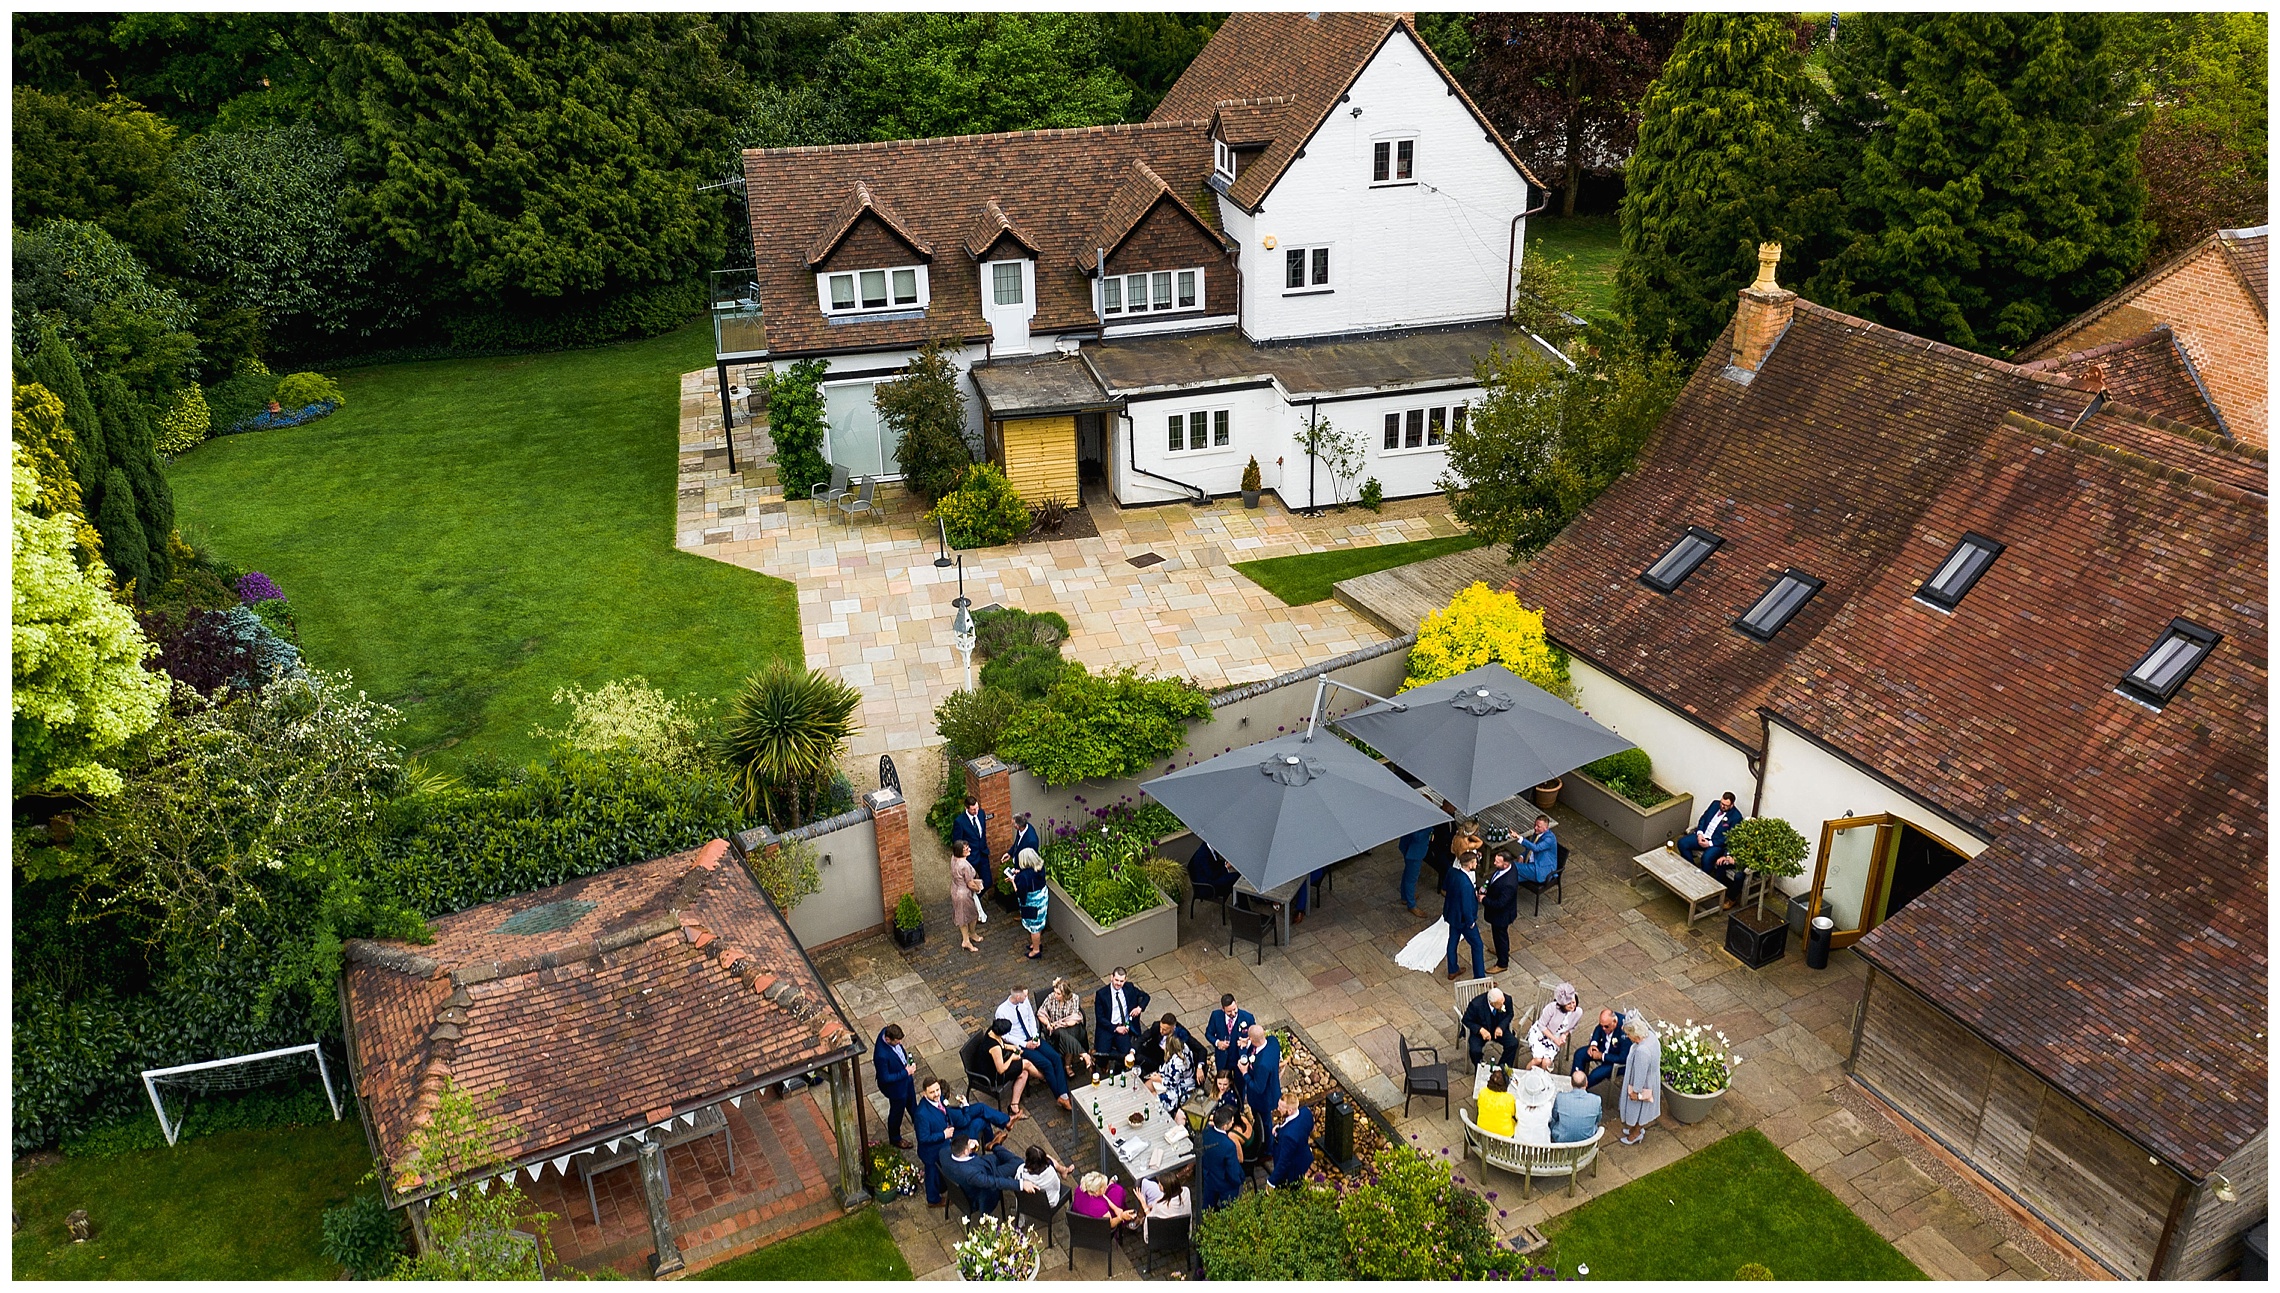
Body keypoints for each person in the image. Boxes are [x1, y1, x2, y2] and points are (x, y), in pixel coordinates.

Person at [993, 988, 1072, 1110]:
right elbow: (1006, 1036)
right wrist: (1025, 1044)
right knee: (1046, 1064)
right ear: (1018, 997)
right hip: (1021, 1044)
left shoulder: (1025, 1002)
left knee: (1056, 1057)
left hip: (1033, 1038)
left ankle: (1064, 1094)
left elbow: (1031, 1018)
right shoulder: (1002, 1011)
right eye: (1025, 996)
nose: (1027, 998)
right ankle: (1059, 1096)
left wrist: (1035, 1037)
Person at [943, 1135, 1025, 1217]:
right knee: (1017, 1162)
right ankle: (995, 1146)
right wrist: (1020, 1184)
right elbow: (994, 1182)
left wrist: (971, 1145)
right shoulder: (971, 1174)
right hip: (990, 1175)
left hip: (985, 1163)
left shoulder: (944, 1153)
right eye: (969, 1143)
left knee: (1005, 1159)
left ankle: (995, 1146)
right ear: (965, 1152)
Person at [983, 1018, 1045, 1119]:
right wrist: (1012, 1057)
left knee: (1024, 1073)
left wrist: (1012, 1047)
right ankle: (1043, 1077)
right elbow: (1001, 1069)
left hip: (995, 1065)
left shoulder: (992, 1031)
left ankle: (1014, 1106)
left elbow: (1001, 1044)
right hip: (993, 1075)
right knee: (1026, 1064)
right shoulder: (995, 1048)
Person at [912, 1079, 961, 1205]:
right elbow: (923, 1138)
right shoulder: (921, 1114)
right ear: (924, 1093)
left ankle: (943, 1186)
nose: (936, 1094)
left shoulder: (939, 1099)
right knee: (932, 1174)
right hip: (931, 1152)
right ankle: (933, 1199)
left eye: (937, 1090)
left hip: (943, 1145)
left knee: (940, 1172)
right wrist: (943, 1135)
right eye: (932, 1092)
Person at [1617, 1013, 1662, 1145]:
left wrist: (1636, 1091)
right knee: (1641, 1109)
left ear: (1635, 1035)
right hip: (1652, 1078)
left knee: (1638, 1109)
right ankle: (1634, 1129)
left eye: (1628, 1035)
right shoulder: (1651, 1037)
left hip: (1643, 1084)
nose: (1628, 1037)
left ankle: (1636, 1133)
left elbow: (1640, 1073)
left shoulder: (1642, 1051)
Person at [1093, 968, 1150, 1072]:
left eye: (1121, 981)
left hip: (1124, 1027)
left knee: (1127, 1054)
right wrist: (1115, 1028)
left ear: (1125, 980)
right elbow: (1100, 1018)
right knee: (1101, 1056)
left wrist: (1139, 1008)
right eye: (1116, 980)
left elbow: (1146, 997)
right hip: (1108, 1027)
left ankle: (1118, 1069)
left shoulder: (1129, 988)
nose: (1118, 983)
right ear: (1111, 978)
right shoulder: (1102, 994)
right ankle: (1104, 1063)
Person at [1038, 977, 1094, 1078]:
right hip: (1056, 1031)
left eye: (1058, 994)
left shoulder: (1074, 998)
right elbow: (1041, 1013)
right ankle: (1083, 1055)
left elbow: (1073, 1020)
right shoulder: (1051, 998)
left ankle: (1068, 1065)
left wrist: (1061, 1023)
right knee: (1061, 1033)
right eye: (1055, 992)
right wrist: (1047, 1023)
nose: (1055, 995)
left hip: (1070, 1028)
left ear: (1065, 994)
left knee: (1067, 1035)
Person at [873, 1023, 918, 1148]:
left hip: (906, 1078)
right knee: (897, 1112)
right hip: (896, 1089)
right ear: (888, 1039)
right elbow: (885, 1078)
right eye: (897, 1042)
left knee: (912, 1103)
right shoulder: (881, 1056)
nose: (899, 1044)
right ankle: (895, 1138)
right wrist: (906, 1072)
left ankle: (919, 1122)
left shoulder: (885, 1030)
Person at [1443, 850, 1486, 981]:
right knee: (1478, 946)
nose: (1476, 864)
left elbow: (1445, 887)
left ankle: (1452, 970)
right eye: (1475, 862)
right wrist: (1471, 922)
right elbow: (1467, 906)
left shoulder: (1452, 872)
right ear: (1470, 864)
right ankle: (1480, 977)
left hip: (1452, 915)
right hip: (1463, 920)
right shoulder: (1466, 884)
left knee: (1453, 940)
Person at [1678, 792, 1741, 879]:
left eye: (1726, 805)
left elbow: (1729, 837)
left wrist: (1710, 843)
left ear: (1732, 805)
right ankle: (1691, 869)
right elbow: (1703, 819)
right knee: (1682, 843)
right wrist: (1700, 834)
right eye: (1722, 803)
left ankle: (1704, 878)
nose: (1723, 806)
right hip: (1703, 836)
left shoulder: (1736, 817)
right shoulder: (1715, 804)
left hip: (1716, 844)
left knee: (1706, 858)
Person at [1195, 1106, 1247, 1211]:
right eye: (1231, 1122)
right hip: (1225, 1184)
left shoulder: (1205, 1132)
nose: (1232, 1123)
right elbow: (1232, 1171)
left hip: (1209, 1178)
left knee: (1207, 1207)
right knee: (1228, 1210)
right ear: (1224, 1126)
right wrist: (1239, 1179)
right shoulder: (1229, 1145)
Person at [1481, 847, 1521, 971]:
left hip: (1502, 915)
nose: (1494, 863)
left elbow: (1500, 903)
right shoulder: (1509, 867)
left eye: (1497, 862)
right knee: (1499, 936)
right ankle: (1501, 950)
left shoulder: (1508, 884)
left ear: (1505, 864)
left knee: (1500, 936)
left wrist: (1483, 900)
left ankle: (1502, 963)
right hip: (1500, 913)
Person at [1528, 983, 1583, 1070]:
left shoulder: (1578, 1012)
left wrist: (1564, 1035)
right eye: (1569, 1004)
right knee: (1538, 1060)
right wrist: (1555, 1039)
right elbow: (1541, 1025)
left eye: (1573, 1002)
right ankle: (1525, 1077)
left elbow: (1572, 1027)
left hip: (1556, 1038)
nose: (1572, 1006)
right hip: (1541, 1033)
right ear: (1562, 1005)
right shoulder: (1552, 1008)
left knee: (1546, 1063)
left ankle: (1542, 1080)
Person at [1572, 1009, 1630, 1089]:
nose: (1603, 1028)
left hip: (1613, 1060)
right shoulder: (1606, 1021)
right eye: (1602, 1025)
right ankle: (1574, 1082)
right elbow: (1598, 1029)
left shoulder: (1625, 1033)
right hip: (1602, 1048)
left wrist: (1602, 1056)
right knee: (1579, 1054)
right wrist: (1593, 1044)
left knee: (1595, 1075)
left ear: (1614, 1022)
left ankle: (1580, 1090)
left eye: (1606, 1026)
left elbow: (1623, 1058)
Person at [1461, 986, 1518, 1068]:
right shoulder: (1476, 1005)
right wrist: (1481, 1030)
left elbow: (1510, 1014)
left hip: (1497, 1027)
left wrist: (1501, 1027)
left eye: (1503, 1001)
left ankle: (1501, 1068)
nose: (1503, 1004)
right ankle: (1480, 1069)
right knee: (1475, 1050)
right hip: (1480, 1031)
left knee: (1513, 1043)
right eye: (1500, 1003)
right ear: (1492, 1003)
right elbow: (1466, 1020)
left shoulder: (1507, 999)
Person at [1237, 1023, 1281, 1127]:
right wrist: (1248, 1044)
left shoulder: (1262, 1065)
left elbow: (1258, 1088)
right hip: (1272, 1086)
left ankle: (1266, 1141)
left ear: (1252, 1039)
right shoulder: (1272, 1041)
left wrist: (1245, 1073)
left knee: (1264, 1123)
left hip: (1262, 1100)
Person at [1268, 1093, 1315, 1187]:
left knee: (1290, 1187)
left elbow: (1283, 1162)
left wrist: (1271, 1182)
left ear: (1289, 1110)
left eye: (1281, 1108)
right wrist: (1279, 1128)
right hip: (1303, 1154)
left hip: (1293, 1169)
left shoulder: (1288, 1137)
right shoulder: (1306, 1112)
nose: (1278, 1109)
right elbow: (1310, 1128)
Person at [1012, 848, 1050, 959]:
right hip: (1042, 899)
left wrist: (1013, 881)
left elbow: (1019, 892)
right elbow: (1031, 875)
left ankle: (1036, 950)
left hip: (1032, 904)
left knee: (1034, 928)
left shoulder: (1023, 877)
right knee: (1039, 923)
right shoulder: (1040, 867)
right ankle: (1036, 944)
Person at [1147, 1033, 1197, 1114]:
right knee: (1147, 1086)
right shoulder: (1183, 1047)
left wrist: (1159, 1079)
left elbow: (1171, 1084)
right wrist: (1160, 1075)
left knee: (1151, 1097)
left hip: (1180, 1088)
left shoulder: (1178, 1064)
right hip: (1171, 1079)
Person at [1204, 993, 1255, 1073]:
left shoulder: (1248, 1018)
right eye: (1229, 1011)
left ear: (1236, 1003)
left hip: (1240, 1058)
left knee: (1240, 1084)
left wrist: (1247, 1042)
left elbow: (1255, 1037)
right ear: (1223, 1009)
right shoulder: (1216, 1016)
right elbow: (1208, 1034)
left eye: (1234, 1009)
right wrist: (1218, 1043)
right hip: (1223, 1059)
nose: (1233, 1013)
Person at [1139, 1167, 1193, 1241]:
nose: (1158, 1185)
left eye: (1160, 1185)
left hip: (1163, 1238)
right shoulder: (1186, 1192)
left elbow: (1150, 1219)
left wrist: (1144, 1205)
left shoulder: (1160, 1207)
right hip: (1183, 1233)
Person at [1138, 1013, 1199, 1077]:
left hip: (1165, 1062)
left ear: (1172, 1028)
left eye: (1164, 1030)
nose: (1161, 1031)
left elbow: (1200, 1049)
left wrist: (1199, 1067)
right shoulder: (1156, 1026)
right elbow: (1143, 1037)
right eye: (1161, 1028)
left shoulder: (1182, 1035)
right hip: (1153, 1052)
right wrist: (1132, 1052)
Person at [951, 795, 993, 888]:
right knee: (970, 885)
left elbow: (983, 832)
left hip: (982, 854)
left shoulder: (981, 814)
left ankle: (975, 899)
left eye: (977, 808)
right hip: (970, 858)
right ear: (966, 808)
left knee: (988, 882)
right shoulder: (960, 822)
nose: (976, 811)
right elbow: (957, 842)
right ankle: (972, 900)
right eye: (973, 809)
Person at [1071, 1171, 1138, 1229]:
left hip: (1080, 1222)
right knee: (1118, 1190)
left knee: (1113, 1190)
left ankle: (1111, 1184)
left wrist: (1115, 1208)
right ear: (1097, 1191)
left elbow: (1101, 1195)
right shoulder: (1101, 1209)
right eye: (1104, 1187)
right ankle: (1111, 1184)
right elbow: (1110, 1224)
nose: (1106, 1187)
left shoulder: (1080, 1189)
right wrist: (1121, 1216)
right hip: (1098, 1228)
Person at [951, 842, 986, 953]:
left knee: (961, 915)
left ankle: (971, 935)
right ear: (961, 852)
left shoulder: (953, 858)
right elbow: (970, 883)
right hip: (964, 894)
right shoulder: (964, 865)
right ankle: (967, 939)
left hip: (955, 890)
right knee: (971, 915)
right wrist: (978, 889)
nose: (969, 849)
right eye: (966, 849)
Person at [1550, 1071, 1602, 1144]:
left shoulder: (1561, 1097)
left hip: (1562, 1140)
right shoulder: (1596, 1100)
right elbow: (1598, 1119)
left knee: (1551, 1122)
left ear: (1571, 1083)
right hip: (1587, 1141)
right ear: (1586, 1083)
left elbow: (1554, 1117)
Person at [1513, 1065, 1557, 1144]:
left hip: (1519, 1146)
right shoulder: (1547, 1107)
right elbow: (1550, 1120)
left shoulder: (1519, 1104)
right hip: (1542, 1148)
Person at [1398, 824, 1435, 916]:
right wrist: (1430, 829)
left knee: (1407, 872)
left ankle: (1405, 897)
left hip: (1409, 848)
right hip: (1414, 852)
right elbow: (1417, 836)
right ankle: (1411, 905)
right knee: (1411, 878)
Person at [1188, 839, 1239, 904]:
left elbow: (1215, 863)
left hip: (1209, 877)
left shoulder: (1209, 848)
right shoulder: (1204, 854)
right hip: (1207, 886)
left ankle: (1242, 902)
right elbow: (1212, 874)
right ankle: (1242, 906)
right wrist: (1226, 867)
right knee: (1235, 878)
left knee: (1235, 876)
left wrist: (1225, 863)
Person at [1518, 816, 1559, 887]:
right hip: (1532, 865)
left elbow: (1536, 848)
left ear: (1546, 828)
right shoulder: (1537, 833)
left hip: (1541, 870)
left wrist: (1520, 838)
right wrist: (1522, 856)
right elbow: (1530, 849)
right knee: (1511, 877)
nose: (1535, 828)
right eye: (1535, 825)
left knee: (1510, 866)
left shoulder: (1549, 839)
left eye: (1538, 826)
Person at [1475, 1066, 1516, 1136]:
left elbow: (1478, 1106)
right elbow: (1514, 1114)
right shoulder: (1509, 1099)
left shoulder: (1482, 1092)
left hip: (1483, 1133)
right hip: (1505, 1138)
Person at [1004, 810, 1041, 876]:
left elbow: (1031, 861)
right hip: (1018, 867)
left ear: (1017, 826)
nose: (1012, 825)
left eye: (1013, 824)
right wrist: (1010, 853)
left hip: (1023, 872)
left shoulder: (1032, 841)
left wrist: (1020, 871)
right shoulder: (1022, 829)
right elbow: (1017, 843)